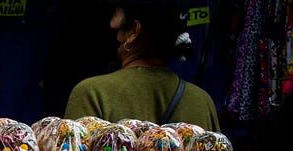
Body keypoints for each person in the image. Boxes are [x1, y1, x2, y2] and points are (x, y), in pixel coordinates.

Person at [64, 0, 220, 130]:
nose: (111, 24)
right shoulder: (203, 102)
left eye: (115, 14)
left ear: (134, 32)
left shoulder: (92, 94)